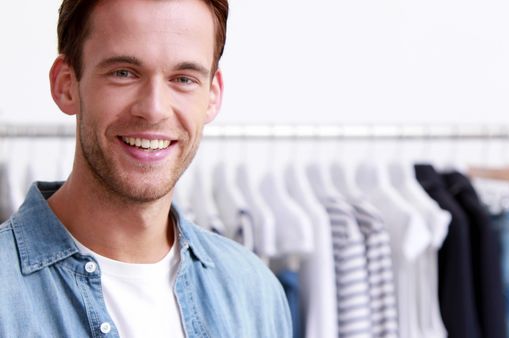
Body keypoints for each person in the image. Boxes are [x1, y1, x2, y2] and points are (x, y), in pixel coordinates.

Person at [0, 0, 292, 337]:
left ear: (212, 96)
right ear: (66, 84)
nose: (154, 110)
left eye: (183, 79)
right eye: (123, 73)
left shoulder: (254, 292)